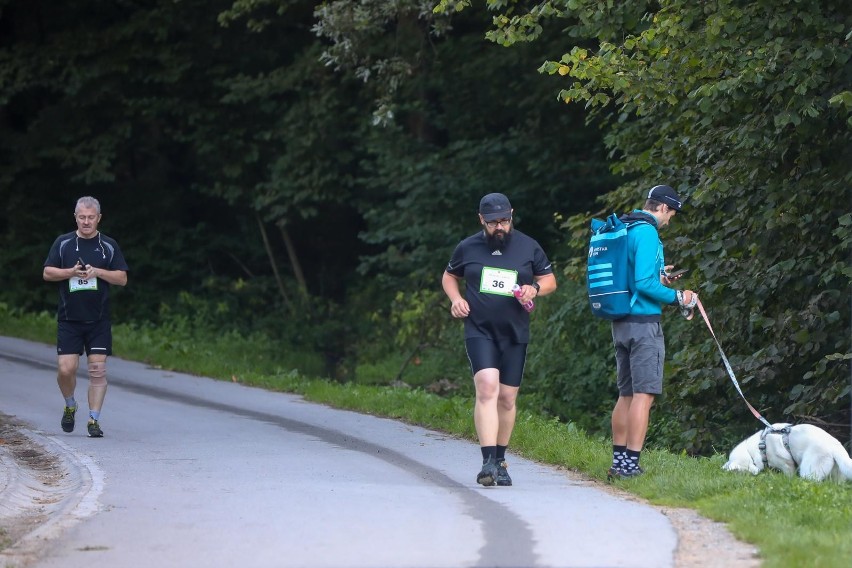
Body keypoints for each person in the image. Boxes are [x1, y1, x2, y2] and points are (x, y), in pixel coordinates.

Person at [442, 193, 557, 487]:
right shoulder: (467, 247)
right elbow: (449, 276)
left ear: (512, 216)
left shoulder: (528, 245)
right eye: (493, 222)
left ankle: (501, 460)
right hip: (479, 328)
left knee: (506, 398)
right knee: (487, 387)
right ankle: (487, 462)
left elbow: (550, 281)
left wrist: (534, 288)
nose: (500, 227)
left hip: (515, 332)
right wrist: (456, 300)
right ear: (481, 220)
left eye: (504, 220)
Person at [607, 185, 696, 479]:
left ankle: (618, 462)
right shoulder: (647, 232)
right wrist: (678, 296)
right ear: (662, 208)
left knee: (626, 394)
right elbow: (644, 284)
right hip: (643, 322)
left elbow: (636, 276)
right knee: (643, 395)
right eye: (671, 214)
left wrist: (662, 277)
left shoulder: (627, 226)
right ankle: (630, 465)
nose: (670, 220)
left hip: (620, 320)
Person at [43, 196, 129, 438]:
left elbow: (122, 278)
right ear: (75, 217)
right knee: (66, 369)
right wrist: (70, 272)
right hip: (69, 319)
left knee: (97, 371)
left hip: (98, 321)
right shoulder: (63, 243)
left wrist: (98, 272)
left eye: (91, 217)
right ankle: (70, 405)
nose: (86, 221)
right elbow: (47, 273)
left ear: (99, 218)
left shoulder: (108, 245)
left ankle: (93, 420)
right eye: (82, 217)